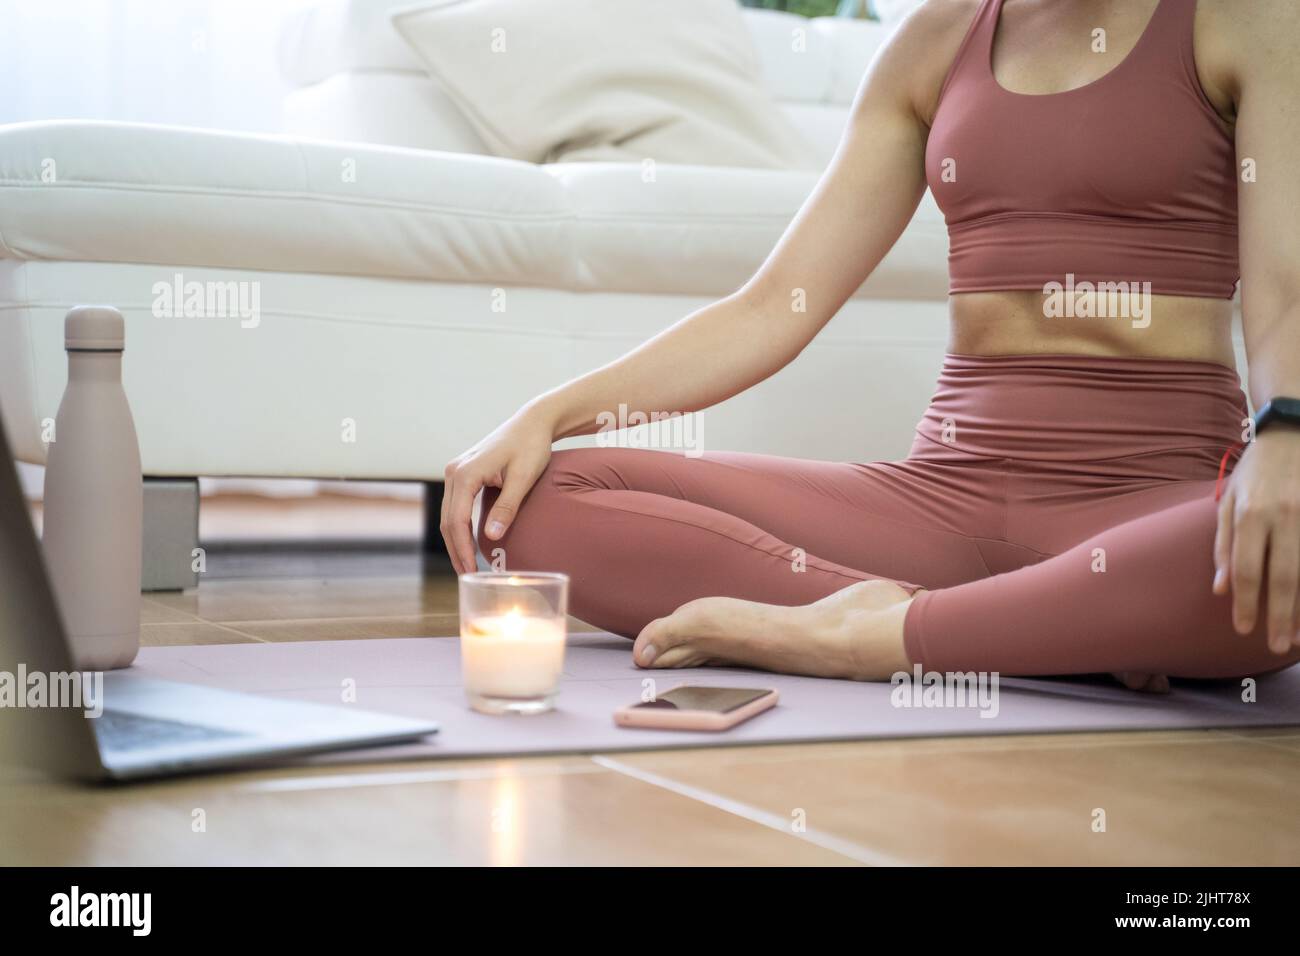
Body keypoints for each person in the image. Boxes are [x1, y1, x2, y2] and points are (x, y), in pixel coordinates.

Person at [440, 0, 1300, 690]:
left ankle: (871, 638)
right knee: (533, 505)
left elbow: (1284, 294)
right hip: (943, 501)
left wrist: (1286, 431)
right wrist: (546, 414)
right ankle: (1044, 624)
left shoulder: (1246, 18)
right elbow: (776, 304)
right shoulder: (935, 39)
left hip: (1150, 501)